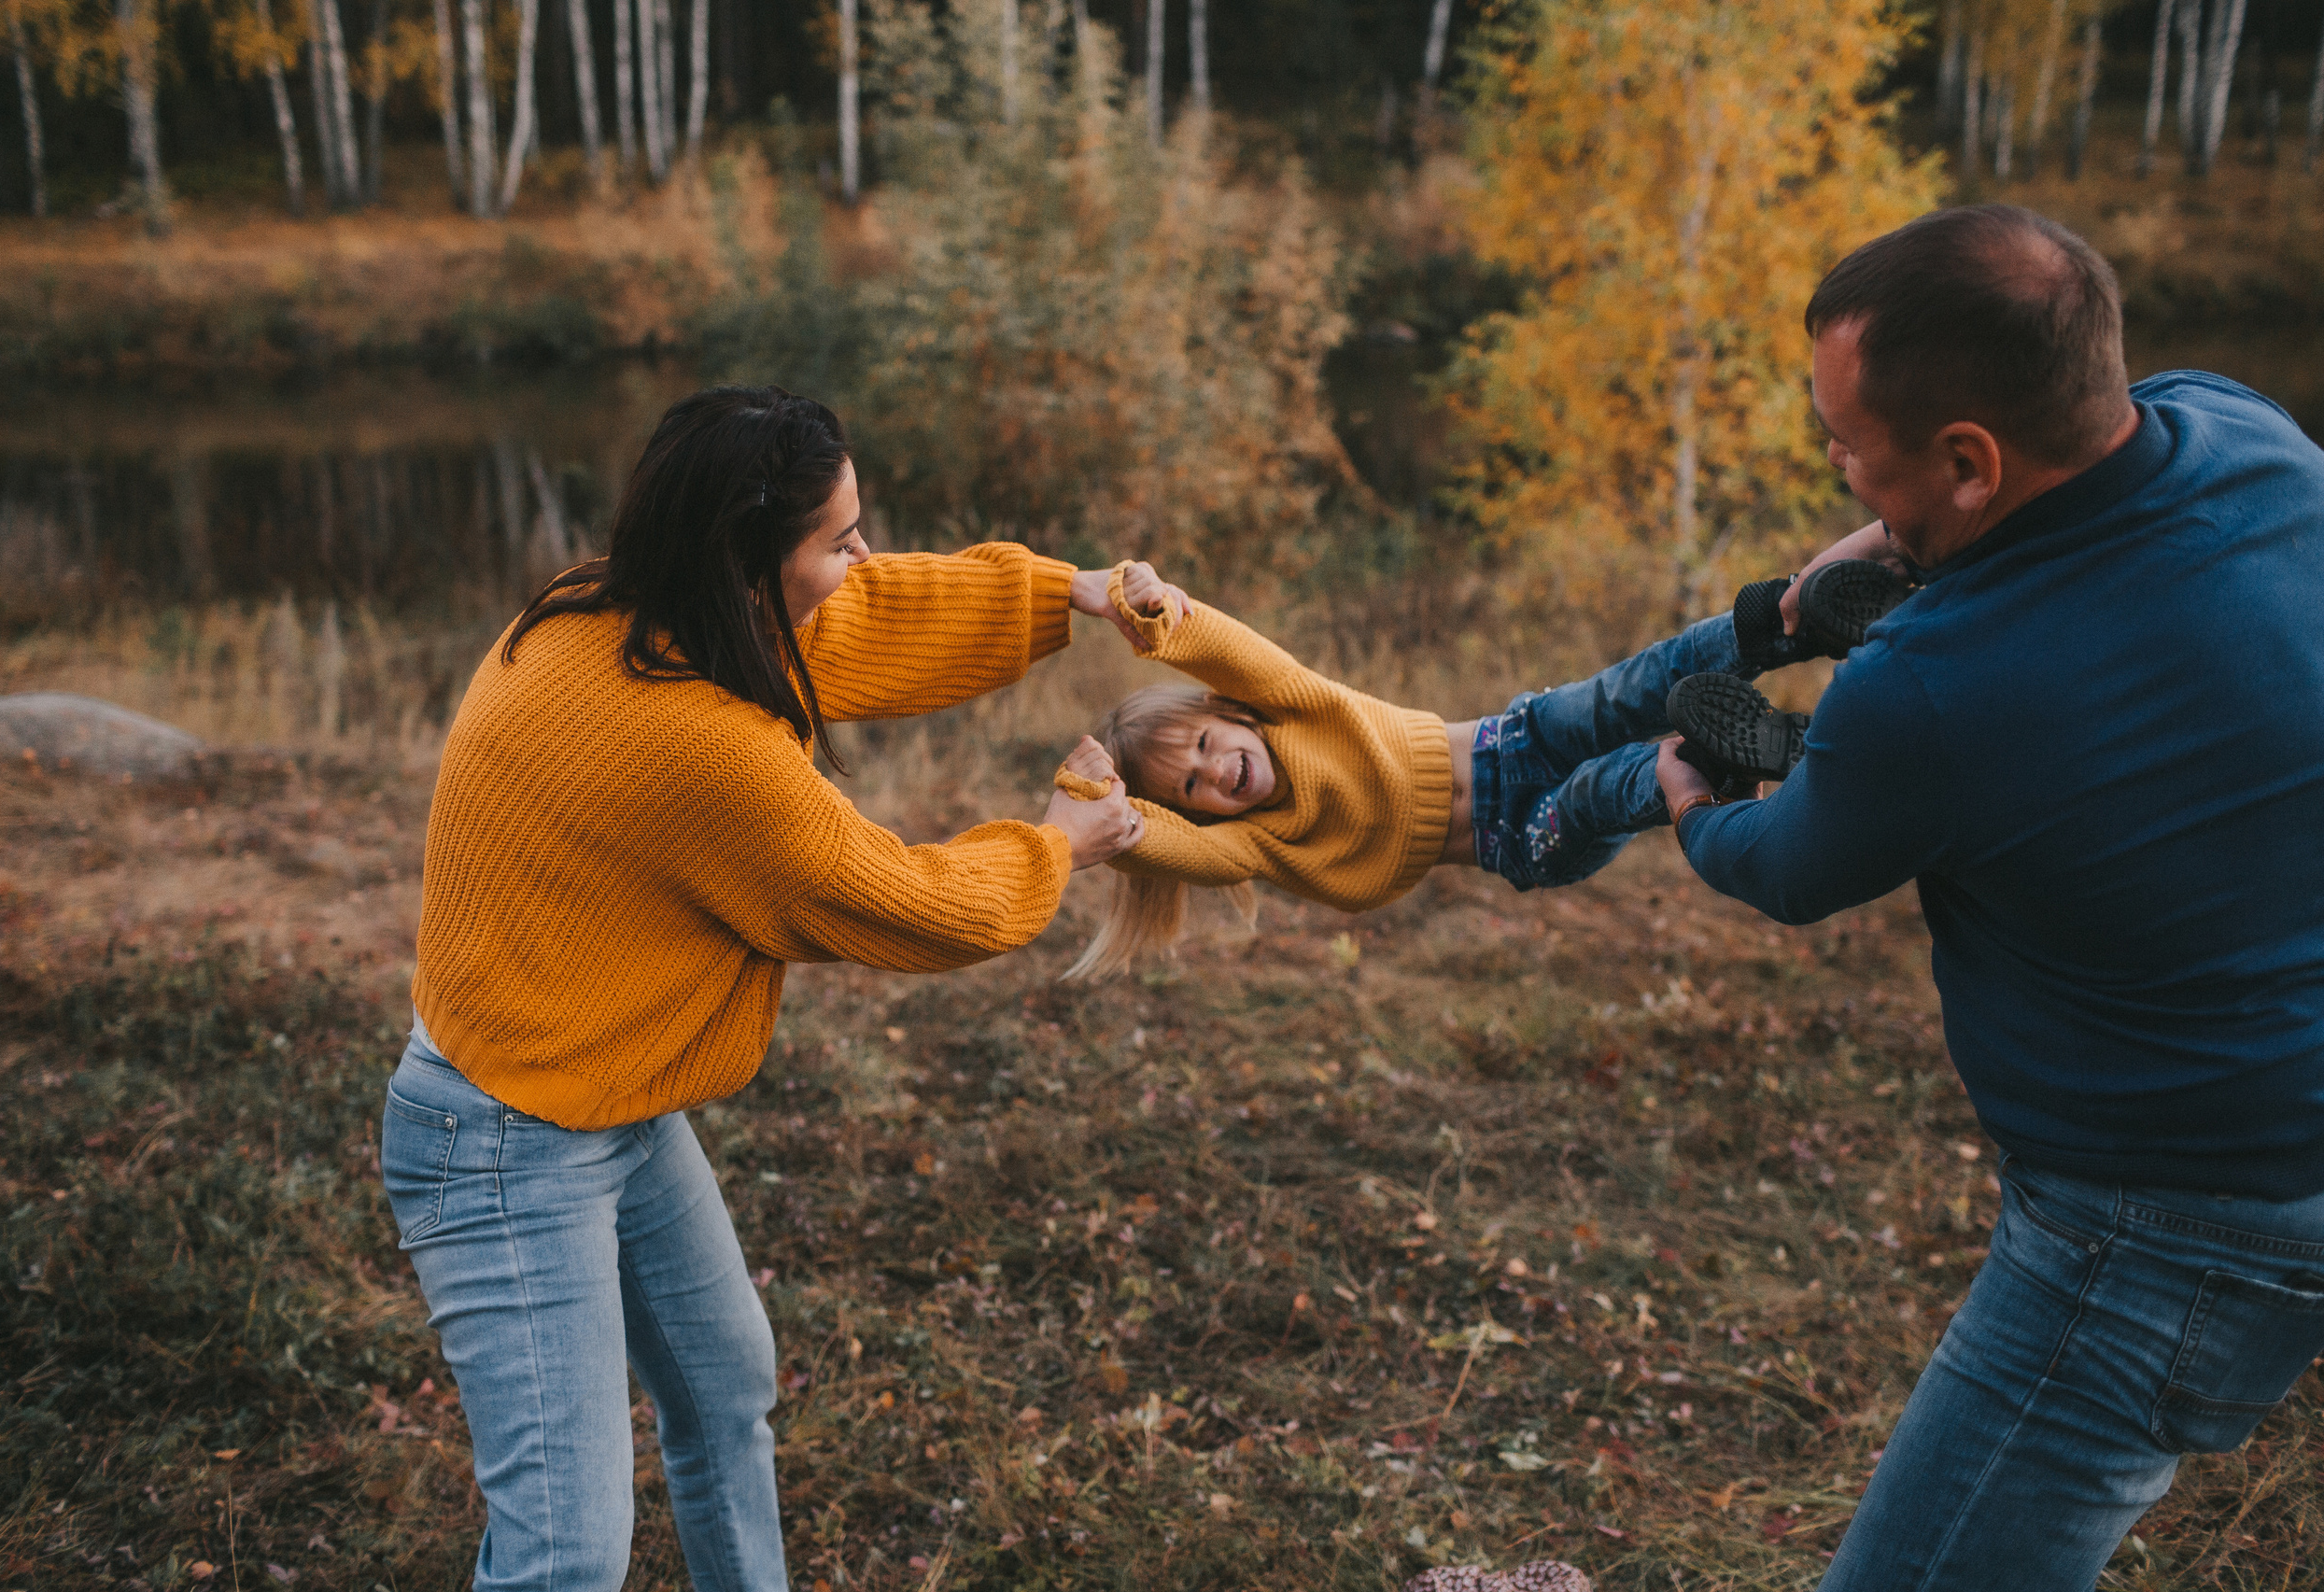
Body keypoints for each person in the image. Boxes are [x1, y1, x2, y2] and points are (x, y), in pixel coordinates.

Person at [379, 385, 1176, 1592]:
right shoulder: (701, 743)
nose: (861, 556)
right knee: (566, 1556)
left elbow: (876, 609)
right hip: (504, 1139)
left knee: (723, 1389)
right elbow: (900, 897)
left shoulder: (610, 608)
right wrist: (1056, 843)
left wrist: (1066, 590)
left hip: (609, 1096)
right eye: (837, 538)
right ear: (752, 558)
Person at [1655, 204, 2324, 1589]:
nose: (1837, 465)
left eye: (1849, 444)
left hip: (2168, 1219)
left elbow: (1785, 868)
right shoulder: (2241, 431)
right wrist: (1896, 543)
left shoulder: (1929, 694)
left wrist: (1695, 800)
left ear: (1969, 459)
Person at [1054, 559, 1905, 978]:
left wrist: (1163, 619)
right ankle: (1735, 750)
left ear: (1227, 712)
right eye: (1192, 789)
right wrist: (1101, 804)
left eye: (1205, 746)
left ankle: (1787, 624)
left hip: (1513, 738)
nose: (1217, 773)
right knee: (1603, 789)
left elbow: (1233, 648)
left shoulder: (1292, 705)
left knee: (1629, 688)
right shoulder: (1259, 847)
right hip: (1520, 839)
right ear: (1198, 817)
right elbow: (1156, 841)